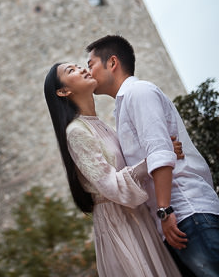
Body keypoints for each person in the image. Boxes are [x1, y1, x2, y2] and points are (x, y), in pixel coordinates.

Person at [86, 35, 219, 277]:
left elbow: (159, 154)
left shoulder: (138, 93)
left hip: (185, 212)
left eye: (91, 64)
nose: (88, 72)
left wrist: (165, 211)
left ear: (112, 62)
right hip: (175, 219)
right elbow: (156, 153)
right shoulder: (123, 105)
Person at [44, 62, 182, 277]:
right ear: (63, 91)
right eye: (71, 71)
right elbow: (110, 184)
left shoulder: (101, 125)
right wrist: (155, 159)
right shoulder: (76, 132)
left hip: (137, 216)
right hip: (118, 223)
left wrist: (164, 149)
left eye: (79, 65)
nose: (81, 69)